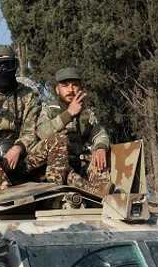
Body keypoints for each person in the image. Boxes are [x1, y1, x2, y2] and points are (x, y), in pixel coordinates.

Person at [0, 45, 69, 194]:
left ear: (15, 66)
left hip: (20, 157)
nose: (3, 71)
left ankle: (52, 195)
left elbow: (31, 131)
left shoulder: (27, 94)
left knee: (58, 139)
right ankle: (6, 194)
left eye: (8, 65)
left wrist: (18, 148)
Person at [36, 67, 114, 198]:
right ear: (57, 89)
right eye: (65, 86)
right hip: (55, 165)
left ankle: (103, 192)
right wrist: (69, 114)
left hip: (79, 162)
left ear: (80, 88)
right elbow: (42, 132)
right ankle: (92, 191)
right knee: (65, 169)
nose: (70, 90)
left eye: (75, 85)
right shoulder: (49, 109)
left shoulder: (86, 112)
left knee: (100, 158)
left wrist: (100, 148)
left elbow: (99, 134)